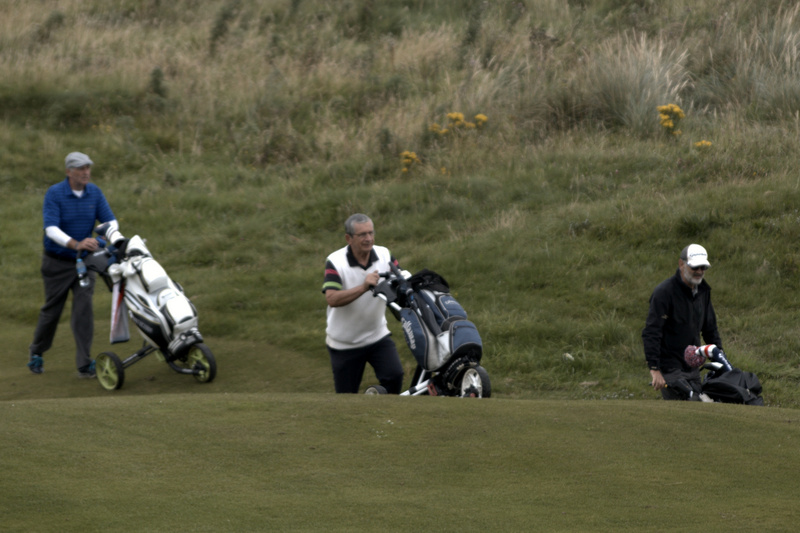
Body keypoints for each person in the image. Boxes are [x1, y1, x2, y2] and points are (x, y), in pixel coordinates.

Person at [27, 152, 118, 378]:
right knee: (52, 311)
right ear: (69, 172)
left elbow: (110, 222)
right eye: (80, 168)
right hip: (56, 263)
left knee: (83, 310)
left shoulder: (94, 193)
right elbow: (51, 229)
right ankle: (37, 352)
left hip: (84, 263)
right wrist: (77, 243)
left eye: (87, 168)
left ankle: (84, 364)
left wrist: (99, 241)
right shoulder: (55, 193)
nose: (85, 172)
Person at [322, 214, 405, 393]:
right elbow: (332, 298)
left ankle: (386, 416)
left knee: (395, 376)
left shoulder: (384, 254)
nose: (369, 239)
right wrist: (363, 287)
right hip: (344, 343)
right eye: (362, 235)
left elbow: (401, 281)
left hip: (377, 335)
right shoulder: (335, 261)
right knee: (346, 396)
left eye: (371, 233)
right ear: (348, 238)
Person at [642, 244, 723, 400]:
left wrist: (720, 359)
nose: (699, 271)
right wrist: (654, 369)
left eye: (703, 267)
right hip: (670, 368)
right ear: (681, 264)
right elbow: (652, 332)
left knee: (699, 409)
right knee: (686, 410)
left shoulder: (703, 291)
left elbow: (710, 329)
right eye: (695, 267)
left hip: (693, 367)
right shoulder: (664, 293)